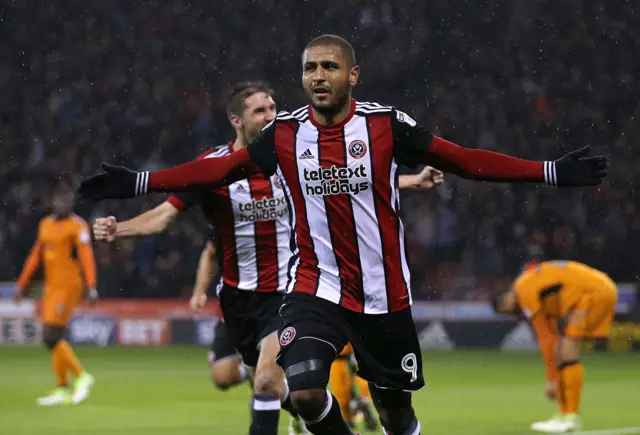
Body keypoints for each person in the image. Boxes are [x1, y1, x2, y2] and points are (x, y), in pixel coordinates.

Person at [78, 34, 608, 435]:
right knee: (305, 394)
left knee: (396, 411)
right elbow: (216, 172)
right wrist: (140, 181)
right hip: (314, 288)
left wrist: (549, 171)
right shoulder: (284, 134)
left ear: (354, 75)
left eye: (330, 66)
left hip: (383, 296)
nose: (318, 75)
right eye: (309, 68)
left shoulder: (385, 126)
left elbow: (465, 160)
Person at [91, 79, 444, 434]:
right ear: (237, 121)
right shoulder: (215, 167)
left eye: (273, 108)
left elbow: (350, 179)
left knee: (264, 383)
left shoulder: (289, 155)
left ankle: (309, 408)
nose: (270, 115)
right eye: (260, 111)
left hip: (289, 291)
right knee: (240, 379)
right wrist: (119, 229)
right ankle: (307, 410)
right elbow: (164, 215)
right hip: (238, 299)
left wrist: (412, 181)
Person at [492, 260, 618, 434]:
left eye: (508, 309)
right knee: (561, 351)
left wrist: (551, 379)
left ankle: (570, 417)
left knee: (567, 350)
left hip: (592, 293)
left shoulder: (523, 292)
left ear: (507, 298)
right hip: (598, 287)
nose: (515, 312)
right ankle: (563, 415)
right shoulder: (529, 283)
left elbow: (546, 339)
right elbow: (551, 338)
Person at [14, 187, 98, 406]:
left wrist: (91, 285)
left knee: (50, 336)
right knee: (53, 338)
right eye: (59, 201)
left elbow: (86, 256)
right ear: (53, 203)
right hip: (51, 288)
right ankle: (62, 387)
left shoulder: (77, 226)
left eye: (66, 202)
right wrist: (22, 284)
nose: (62, 205)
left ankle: (81, 376)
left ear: (70, 204)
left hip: (69, 286)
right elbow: (35, 256)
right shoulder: (46, 225)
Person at [329, 343, 377, 431]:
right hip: (343, 354)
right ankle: (352, 415)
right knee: (343, 393)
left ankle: (351, 416)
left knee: (358, 386)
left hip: (347, 352)